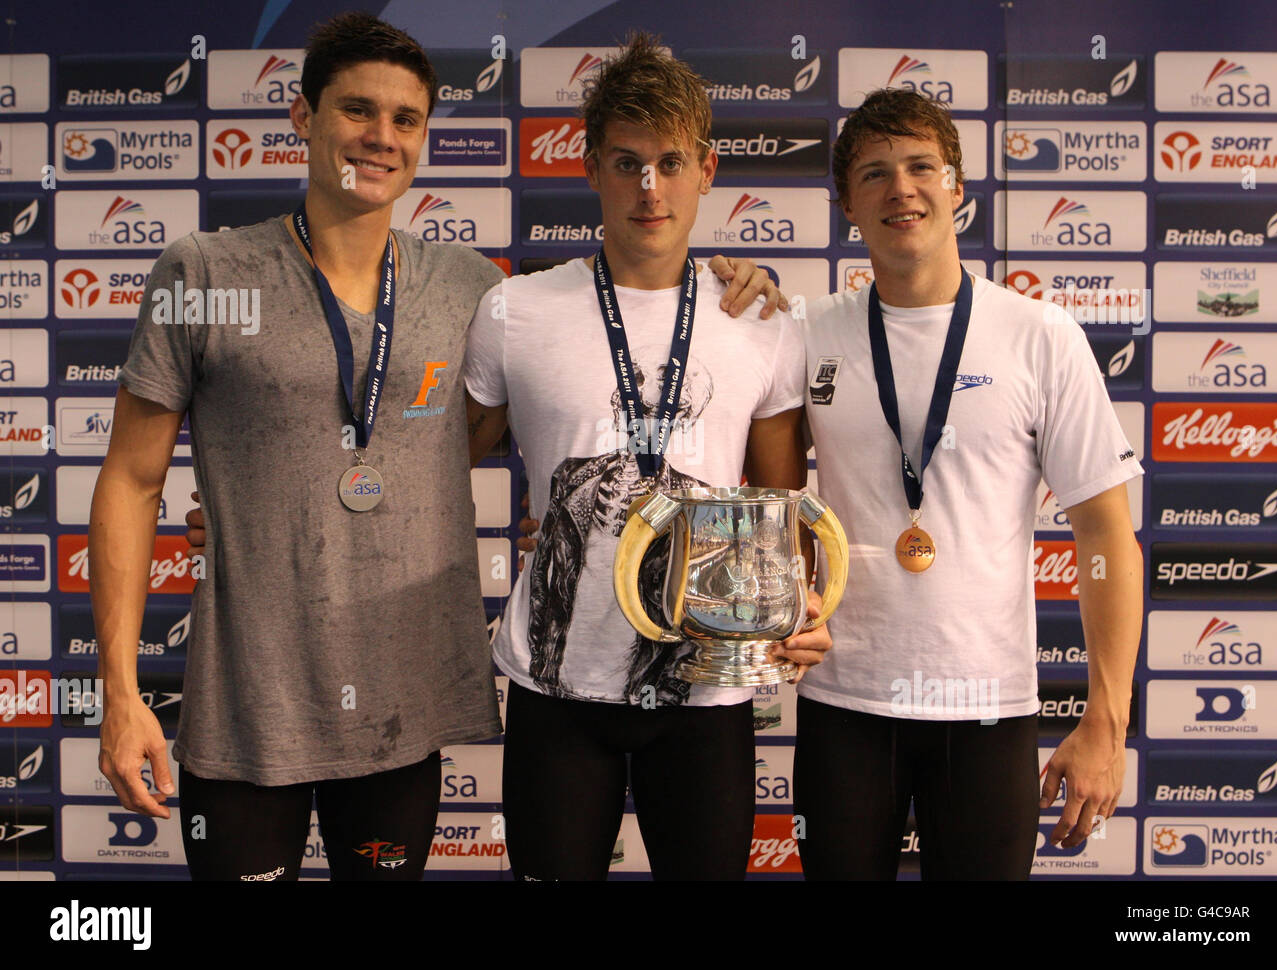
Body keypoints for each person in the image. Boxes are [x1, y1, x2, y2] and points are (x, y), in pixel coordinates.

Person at [112, 15, 781, 881]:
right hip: (249, 709)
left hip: (403, 709)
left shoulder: (471, 289)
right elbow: (131, 480)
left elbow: (449, 448)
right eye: (357, 110)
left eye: (406, 119)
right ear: (302, 116)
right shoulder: (200, 278)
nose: (381, 138)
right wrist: (126, 689)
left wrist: (591, 522)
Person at [462, 33, 831, 881]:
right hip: (558, 685)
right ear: (590, 167)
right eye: (626, 163)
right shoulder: (515, 310)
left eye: (669, 162)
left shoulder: (763, 321)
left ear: (706, 169)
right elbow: (436, 461)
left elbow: (782, 502)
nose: (648, 188)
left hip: (707, 686)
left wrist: (801, 599)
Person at [793, 88, 1143, 879]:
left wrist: (1106, 721)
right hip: (846, 705)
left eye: (922, 166)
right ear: (846, 203)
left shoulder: (1041, 336)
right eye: (875, 173)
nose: (901, 189)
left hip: (988, 711)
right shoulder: (805, 332)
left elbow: (1105, 536)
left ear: (959, 188)